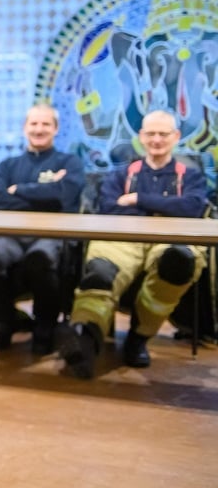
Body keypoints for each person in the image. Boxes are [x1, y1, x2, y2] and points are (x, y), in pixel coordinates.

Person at [56, 109, 208, 379]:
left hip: (172, 239)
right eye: (151, 133)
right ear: (141, 137)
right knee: (100, 273)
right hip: (123, 239)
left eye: (163, 134)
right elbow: (109, 208)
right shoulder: (121, 174)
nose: (157, 139)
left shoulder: (191, 175)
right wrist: (165, 209)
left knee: (179, 263)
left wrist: (138, 199)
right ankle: (85, 336)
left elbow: (192, 208)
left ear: (176, 137)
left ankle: (139, 338)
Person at [0, 105, 85, 354]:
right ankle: (4, 321)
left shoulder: (70, 162)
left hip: (52, 235)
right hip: (10, 235)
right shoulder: (8, 165)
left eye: (46, 124)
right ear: (25, 128)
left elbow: (64, 198)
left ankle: (45, 327)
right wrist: (44, 194)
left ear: (56, 129)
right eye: (34, 124)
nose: (39, 129)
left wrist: (19, 190)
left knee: (40, 258)